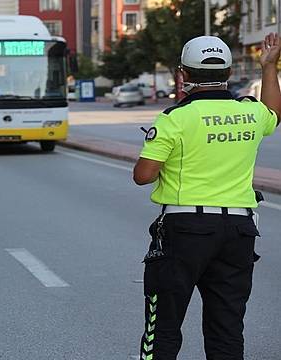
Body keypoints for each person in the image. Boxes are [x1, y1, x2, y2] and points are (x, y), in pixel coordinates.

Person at [133, 36, 279, 359]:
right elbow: (274, 113)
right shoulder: (250, 113)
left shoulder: (176, 119)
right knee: (226, 330)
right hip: (238, 233)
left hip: (184, 231)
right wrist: (269, 67)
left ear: (182, 75)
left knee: (163, 329)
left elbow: (143, 175)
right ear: (228, 73)